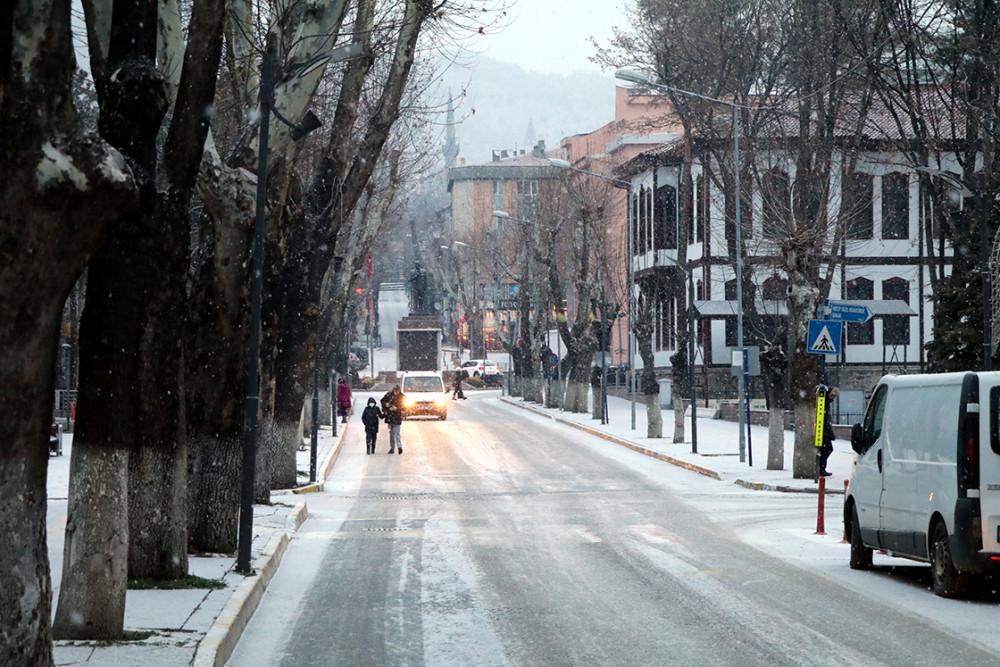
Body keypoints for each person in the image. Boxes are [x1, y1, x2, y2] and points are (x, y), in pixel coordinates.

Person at [819, 386, 839, 477]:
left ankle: (821, 468)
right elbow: (824, 420)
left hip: (824, 431)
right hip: (823, 432)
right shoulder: (824, 401)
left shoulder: (825, 402)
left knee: (825, 450)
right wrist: (830, 434)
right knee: (826, 449)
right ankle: (821, 468)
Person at [381, 384, 405, 454]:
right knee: (391, 433)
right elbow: (382, 401)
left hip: (397, 417)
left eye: (397, 391)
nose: (396, 392)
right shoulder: (389, 395)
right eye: (395, 391)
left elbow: (404, 407)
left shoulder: (402, 397)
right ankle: (392, 448)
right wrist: (386, 404)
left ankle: (399, 447)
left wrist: (397, 408)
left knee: (397, 432)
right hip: (390, 417)